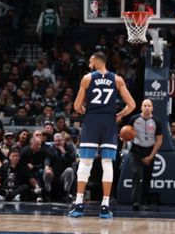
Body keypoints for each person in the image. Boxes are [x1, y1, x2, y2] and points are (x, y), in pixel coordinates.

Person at [67, 51, 135, 219]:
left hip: (92, 121)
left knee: (85, 162)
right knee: (107, 163)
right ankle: (105, 205)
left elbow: (76, 106)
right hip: (109, 122)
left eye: (91, 62)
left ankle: (79, 203)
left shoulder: (87, 78)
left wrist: (86, 111)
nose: (89, 65)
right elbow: (132, 105)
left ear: (97, 62)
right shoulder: (117, 79)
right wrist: (119, 115)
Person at [126, 99, 164, 211]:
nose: (147, 107)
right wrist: (125, 143)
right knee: (137, 173)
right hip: (136, 150)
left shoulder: (157, 121)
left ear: (152, 108)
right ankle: (136, 202)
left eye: (149, 105)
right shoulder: (133, 119)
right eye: (145, 105)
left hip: (149, 150)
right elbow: (126, 133)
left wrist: (151, 156)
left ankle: (144, 202)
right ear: (141, 107)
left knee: (147, 177)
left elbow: (159, 140)